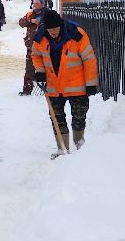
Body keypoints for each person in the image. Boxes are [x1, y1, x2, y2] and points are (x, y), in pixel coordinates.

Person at [31, 8, 98, 148]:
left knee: (79, 118)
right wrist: (40, 71)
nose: (54, 32)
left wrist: (91, 83)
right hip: (53, 87)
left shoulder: (76, 35)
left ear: (61, 25)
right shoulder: (40, 38)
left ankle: (80, 146)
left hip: (77, 86)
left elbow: (89, 59)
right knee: (57, 119)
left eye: (56, 28)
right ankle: (63, 149)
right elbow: (36, 55)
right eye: (50, 30)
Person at [18, 0, 47, 96]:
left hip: (44, 47)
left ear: (42, 5)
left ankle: (47, 89)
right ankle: (27, 89)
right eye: (34, 4)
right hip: (31, 47)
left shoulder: (47, 14)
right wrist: (31, 21)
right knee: (29, 69)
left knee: (46, 68)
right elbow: (21, 23)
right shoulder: (30, 14)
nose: (35, 6)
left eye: (37, 4)